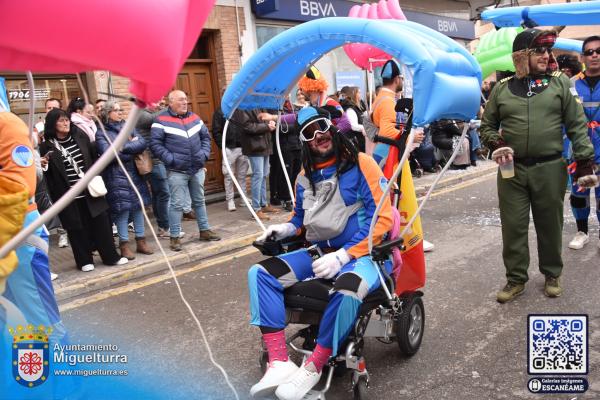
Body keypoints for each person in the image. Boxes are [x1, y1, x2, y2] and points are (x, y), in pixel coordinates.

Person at [247, 106, 393, 400]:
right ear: (305, 142)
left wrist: (344, 256)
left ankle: (314, 365)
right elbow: (300, 220)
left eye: (322, 127)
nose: (318, 136)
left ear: (333, 128)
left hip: (365, 256)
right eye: (309, 133)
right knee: (260, 274)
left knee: (348, 291)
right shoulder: (305, 175)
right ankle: (279, 362)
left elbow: (384, 220)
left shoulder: (362, 164)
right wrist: (284, 230)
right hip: (318, 252)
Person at [480, 28, 595, 303]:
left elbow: (577, 125)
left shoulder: (560, 85)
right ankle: (515, 279)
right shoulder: (502, 89)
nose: (546, 56)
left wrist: (584, 161)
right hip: (511, 170)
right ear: (522, 56)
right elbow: (486, 126)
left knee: (550, 225)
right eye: (539, 51)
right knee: (513, 226)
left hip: (550, 168)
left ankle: (552, 274)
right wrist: (496, 144)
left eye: (547, 51)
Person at [39, 109, 127, 272]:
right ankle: (84, 260)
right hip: (67, 195)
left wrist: (96, 177)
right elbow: (48, 174)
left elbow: (94, 159)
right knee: (76, 229)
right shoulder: (46, 145)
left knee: (102, 225)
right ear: (53, 124)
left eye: (67, 120)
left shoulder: (80, 136)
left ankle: (111, 256)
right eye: (61, 121)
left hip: (90, 191)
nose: (66, 123)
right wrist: (43, 165)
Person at [150, 90, 221, 251]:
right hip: (176, 170)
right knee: (176, 204)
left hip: (196, 168)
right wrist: (171, 159)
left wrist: (203, 155)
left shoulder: (195, 118)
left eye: (186, 100)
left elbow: (205, 138)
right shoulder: (160, 120)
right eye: (181, 100)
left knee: (199, 201)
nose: (185, 103)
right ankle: (174, 237)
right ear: (171, 102)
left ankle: (205, 231)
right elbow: (155, 145)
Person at [97, 101, 153, 259]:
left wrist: (122, 147)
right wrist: (130, 147)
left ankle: (141, 242)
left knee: (138, 207)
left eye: (121, 109)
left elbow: (142, 143)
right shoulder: (101, 132)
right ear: (108, 113)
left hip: (135, 173)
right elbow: (108, 153)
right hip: (116, 176)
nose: (120, 112)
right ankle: (124, 245)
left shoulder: (128, 127)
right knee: (122, 210)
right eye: (116, 110)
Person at [568, 35, 600, 250]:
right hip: (579, 152)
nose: (595, 55)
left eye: (598, 51)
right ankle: (582, 232)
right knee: (579, 195)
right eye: (589, 52)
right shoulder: (570, 84)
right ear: (582, 57)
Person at [212, 87, 249, 212]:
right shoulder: (220, 112)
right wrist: (222, 146)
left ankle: (243, 199)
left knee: (242, 175)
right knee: (228, 176)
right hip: (229, 148)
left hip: (243, 148)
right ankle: (230, 200)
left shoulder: (241, 109)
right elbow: (216, 131)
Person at [339, 86, 366, 152]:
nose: (360, 94)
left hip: (361, 138)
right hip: (357, 140)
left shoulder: (356, 107)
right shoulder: (350, 108)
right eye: (359, 92)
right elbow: (353, 126)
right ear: (354, 94)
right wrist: (364, 128)